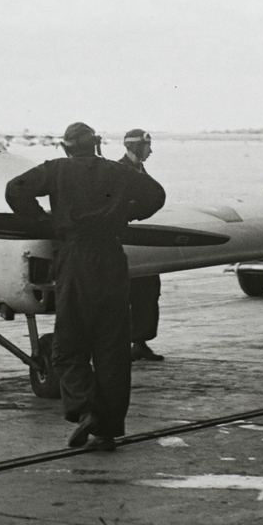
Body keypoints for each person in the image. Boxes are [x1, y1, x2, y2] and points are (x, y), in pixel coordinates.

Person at [6, 122, 165, 451]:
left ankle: (87, 408)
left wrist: (42, 220)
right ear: (96, 145)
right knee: (112, 351)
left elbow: (15, 189)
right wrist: (126, 214)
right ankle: (106, 432)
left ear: (65, 147)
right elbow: (156, 195)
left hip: (76, 260)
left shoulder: (57, 169)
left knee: (65, 350)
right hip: (112, 258)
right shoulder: (116, 171)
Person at [118, 129, 163, 363]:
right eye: (147, 147)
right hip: (123, 244)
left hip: (140, 245)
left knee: (148, 289)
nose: (151, 151)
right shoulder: (118, 170)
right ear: (137, 147)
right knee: (124, 294)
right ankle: (123, 344)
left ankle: (140, 342)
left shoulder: (139, 171)